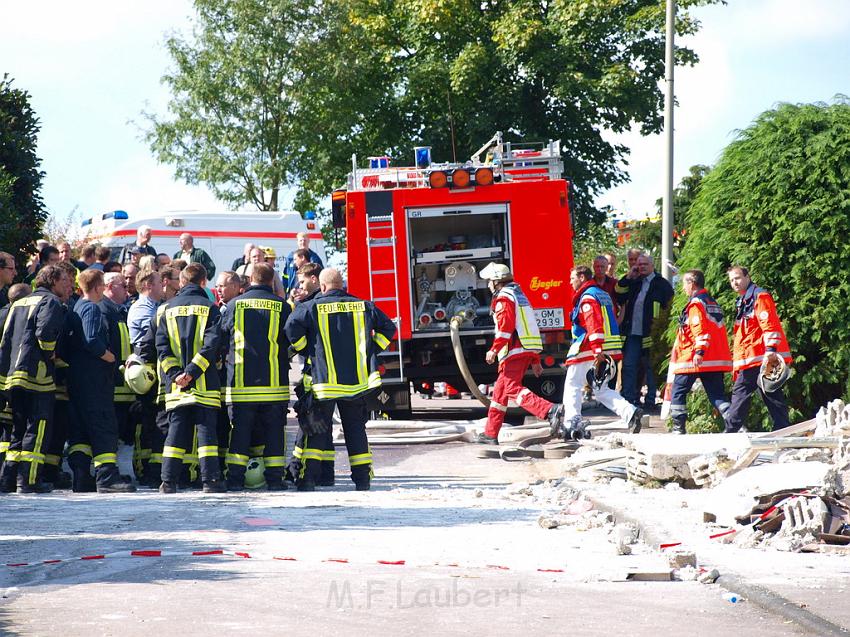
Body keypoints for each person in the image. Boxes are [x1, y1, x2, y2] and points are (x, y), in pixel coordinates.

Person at [285, 268, 396, 491]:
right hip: (357, 383)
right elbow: (389, 328)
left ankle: (308, 481)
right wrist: (372, 349)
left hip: (325, 383)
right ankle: (362, 481)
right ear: (342, 284)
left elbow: (290, 328)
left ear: (323, 287)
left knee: (317, 431)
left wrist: (306, 350)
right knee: (356, 431)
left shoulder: (311, 306)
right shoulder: (364, 305)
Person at [219, 263, 292, 491]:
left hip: (241, 385)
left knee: (240, 434)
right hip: (274, 386)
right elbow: (292, 341)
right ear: (272, 281)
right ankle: (274, 481)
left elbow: (220, 339)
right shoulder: (283, 307)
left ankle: (235, 480)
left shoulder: (234, 305)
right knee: (274, 436)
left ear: (249, 279)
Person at [0, 265, 71, 493]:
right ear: (52, 281)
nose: (66, 285)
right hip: (37, 376)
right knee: (37, 428)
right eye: (63, 280)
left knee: (17, 429)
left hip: (12, 375)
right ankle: (29, 480)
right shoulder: (49, 302)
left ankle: (8, 478)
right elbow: (45, 333)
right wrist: (51, 353)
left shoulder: (19, 302)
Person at [155, 263, 225, 493]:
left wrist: (176, 375)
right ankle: (210, 481)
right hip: (204, 383)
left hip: (177, 387)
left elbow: (162, 348)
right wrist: (193, 372)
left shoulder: (167, 309)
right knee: (206, 435)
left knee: (175, 434)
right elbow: (212, 346)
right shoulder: (211, 308)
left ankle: (168, 482)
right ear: (204, 282)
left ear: (182, 282)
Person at [476, 262, 563, 444]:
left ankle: (549, 410)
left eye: (489, 282)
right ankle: (491, 433)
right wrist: (535, 359)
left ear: (496, 281)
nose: (488, 285)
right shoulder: (519, 295)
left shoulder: (504, 298)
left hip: (514, 350)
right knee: (500, 394)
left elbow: (505, 328)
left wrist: (494, 350)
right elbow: (529, 327)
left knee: (512, 389)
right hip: (524, 349)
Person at [64, 269, 135, 493]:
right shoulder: (92, 309)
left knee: (81, 432)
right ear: (97, 287)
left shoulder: (75, 307)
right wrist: (111, 357)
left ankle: (82, 476)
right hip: (95, 380)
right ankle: (107, 477)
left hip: (77, 379)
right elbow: (92, 340)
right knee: (104, 426)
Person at [562, 266, 645, 437]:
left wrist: (597, 349)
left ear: (582, 277)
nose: (570, 282)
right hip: (608, 349)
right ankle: (630, 412)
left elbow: (594, 323)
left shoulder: (587, 298)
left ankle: (572, 422)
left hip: (589, 349)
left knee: (573, 384)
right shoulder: (602, 294)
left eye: (572, 278)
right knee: (600, 389)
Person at [725, 266, 793, 433]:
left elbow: (769, 323)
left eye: (738, 278)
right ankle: (783, 429)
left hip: (760, 357)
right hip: (754, 357)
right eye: (732, 280)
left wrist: (770, 350)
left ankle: (730, 432)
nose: (735, 283)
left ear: (748, 277)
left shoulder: (758, 296)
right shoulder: (745, 300)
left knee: (741, 394)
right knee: (771, 394)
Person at [669, 270, 732, 435]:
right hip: (714, 359)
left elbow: (700, 330)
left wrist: (699, 351)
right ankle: (736, 425)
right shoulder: (712, 302)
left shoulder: (696, 304)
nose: (683, 288)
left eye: (684, 283)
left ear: (692, 284)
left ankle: (678, 428)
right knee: (717, 396)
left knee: (678, 392)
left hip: (693, 358)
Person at [616, 253, 674, 411]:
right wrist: (628, 276)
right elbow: (618, 295)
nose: (641, 267)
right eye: (639, 265)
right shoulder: (634, 282)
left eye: (644, 265)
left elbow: (669, 309)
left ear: (652, 265)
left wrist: (661, 332)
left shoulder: (662, 284)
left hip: (651, 333)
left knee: (650, 368)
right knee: (629, 366)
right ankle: (628, 398)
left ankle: (650, 400)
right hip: (632, 332)